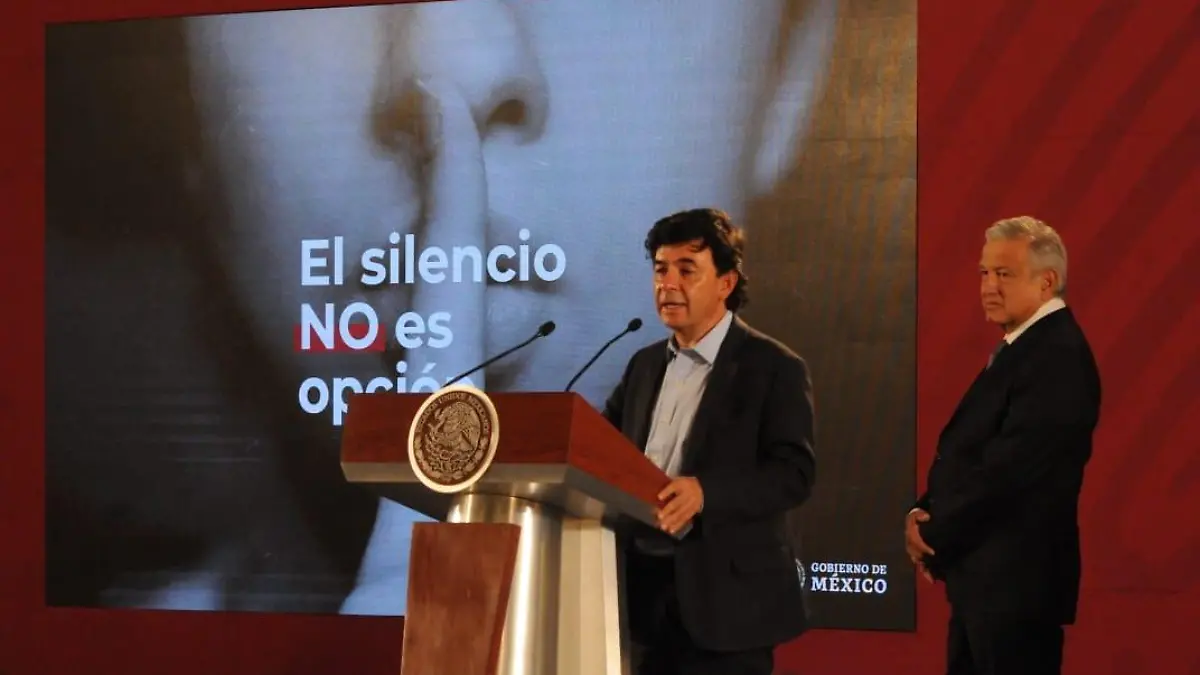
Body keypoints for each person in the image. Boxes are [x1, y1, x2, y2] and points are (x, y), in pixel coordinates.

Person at [602, 208, 816, 675]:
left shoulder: (773, 367)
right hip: (642, 597)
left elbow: (793, 475)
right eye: (661, 270)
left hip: (727, 604)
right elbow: (600, 448)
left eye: (686, 270)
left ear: (726, 282)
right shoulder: (643, 366)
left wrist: (706, 493)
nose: (668, 284)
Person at [905, 216, 1102, 675]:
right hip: (988, 588)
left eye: (1004, 274)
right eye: (984, 273)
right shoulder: (1027, 348)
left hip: (1016, 590)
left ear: (1046, 281)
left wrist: (933, 534)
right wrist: (923, 510)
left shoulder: (1056, 356)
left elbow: (1009, 474)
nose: (988, 287)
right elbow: (974, 455)